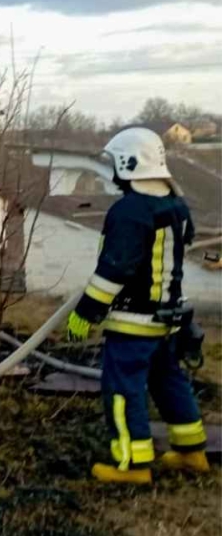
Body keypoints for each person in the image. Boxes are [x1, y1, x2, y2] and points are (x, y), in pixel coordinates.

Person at [67, 127, 210, 484]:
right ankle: (192, 451)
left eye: (115, 163)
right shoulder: (175, 204)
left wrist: (86, 311)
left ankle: (131, 464)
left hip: (133, 321)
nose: (112, 171)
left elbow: (115, 269)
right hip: (168, 318)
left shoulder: (130, 210)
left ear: (128, 164)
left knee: (123, 388)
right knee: (169, 380)